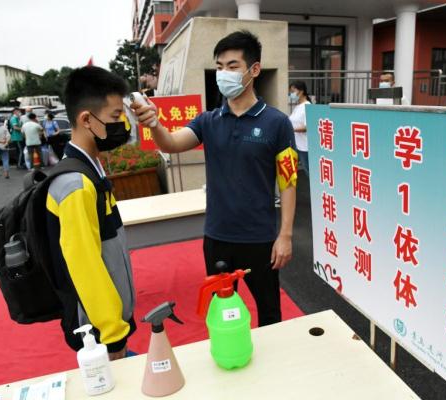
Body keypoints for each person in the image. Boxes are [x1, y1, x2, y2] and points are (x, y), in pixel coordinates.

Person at [132, 30, 297, 327]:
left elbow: (288, 181)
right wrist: (154, 124)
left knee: (270, 313)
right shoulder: (208, 121)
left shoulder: (277, 123)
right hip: (218, 237)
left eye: (233, 66)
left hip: (260, 238)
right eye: (219, 67)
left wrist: (284, 235)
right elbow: (170, 143)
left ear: (254, 70)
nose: (224, 74)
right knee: (222, 313)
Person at [46, 66, 136, 359]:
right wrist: (113, 335)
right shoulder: (76, 185)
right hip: (101, 334)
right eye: (114, 117)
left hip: (109, 323)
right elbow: (85, 267)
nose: (122, 124)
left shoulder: (89, 167)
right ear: (87, 119)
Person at [288, 81, 312, 177]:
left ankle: (316, 191)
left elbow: (308, 127)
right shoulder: (298, 106)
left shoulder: (307, 106)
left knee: (309, 172)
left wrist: (291, 129)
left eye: (293, 91)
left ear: (301, 91)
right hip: (296, 145)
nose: (291, 94)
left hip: (305, 146)